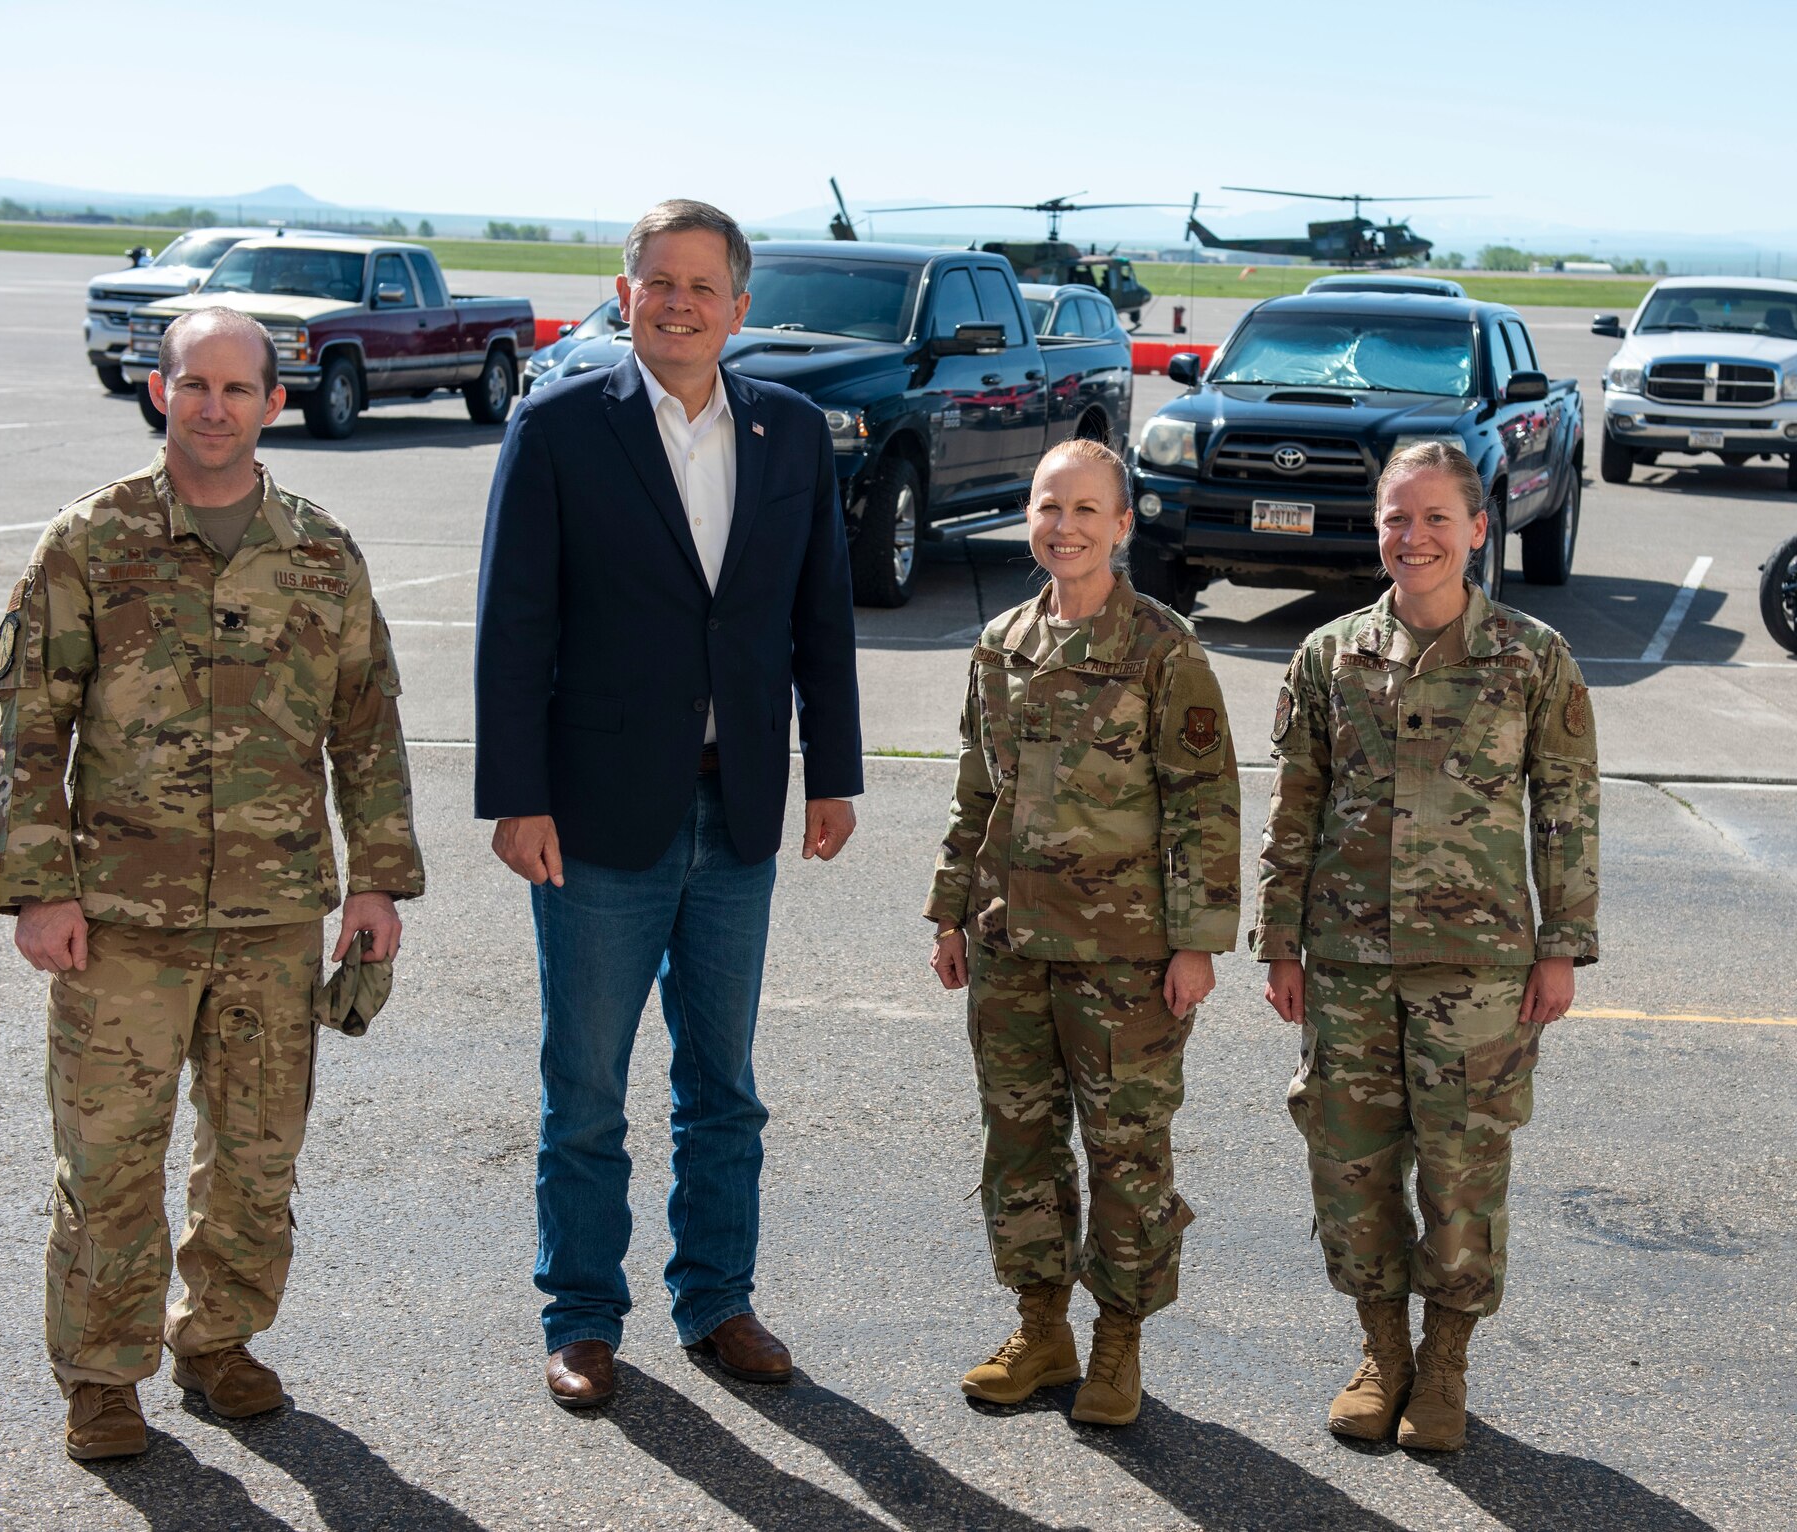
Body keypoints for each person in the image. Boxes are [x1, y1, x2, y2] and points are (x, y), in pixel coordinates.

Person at [0, 306, 424, 1461]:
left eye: (238, 388)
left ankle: (219, 1338)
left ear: (275, 402)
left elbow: (366, 729)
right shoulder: (91, 541)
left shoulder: (323, 553)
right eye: (194, 385)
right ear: (157, 392)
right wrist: (39, 886)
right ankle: (100, 1374)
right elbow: (35, 728)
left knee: (257, 1149)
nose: (214, 407)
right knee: (108, 1155)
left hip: (276, 919)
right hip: (118, 919)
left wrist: (375, 886)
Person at [475, 199, 863, 1410]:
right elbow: (512, 626)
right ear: (623, 292)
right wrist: (514, 795)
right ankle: (582, 1314)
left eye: (703, 286)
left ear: (739, 308)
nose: (679, 302)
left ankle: (717, 1299)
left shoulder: (791, 431)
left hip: (737, 806)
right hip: (592, 815)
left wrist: (834, 768)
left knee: (723, 1085)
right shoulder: (554, 429)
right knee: (586, 1082)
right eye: (659, 281)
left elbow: (820, 615)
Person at [1255, 441, 1599, 1452]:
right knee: (1349, 1165)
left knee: (1460, 1171)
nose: (1413, 538)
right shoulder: (1327, 655)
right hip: (1347, 960)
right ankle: (1379, 1350)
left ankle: (1442, 1361)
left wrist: (1562, 942)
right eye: (1395, 518)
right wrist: (1278, 938)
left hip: (1479, 970)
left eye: (1435, 517)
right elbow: (1294, 805)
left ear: (1478, 527)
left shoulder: (1531, 656)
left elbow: (1566, 805)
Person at [925, 438, 1240, 1427]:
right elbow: (978, 788)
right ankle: (1039, 1326)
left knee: (1125, 1151)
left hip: (1124, 960)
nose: (1061, 524)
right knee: (1018, 1146)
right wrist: (948, 909)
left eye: (1084, 508)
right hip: (1007, 946)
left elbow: (1205, 803)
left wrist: (1194, 942)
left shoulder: (1160, 648)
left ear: (1120, 523)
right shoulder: (1001, 642)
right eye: (1045, 505)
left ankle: (1117, 1343)